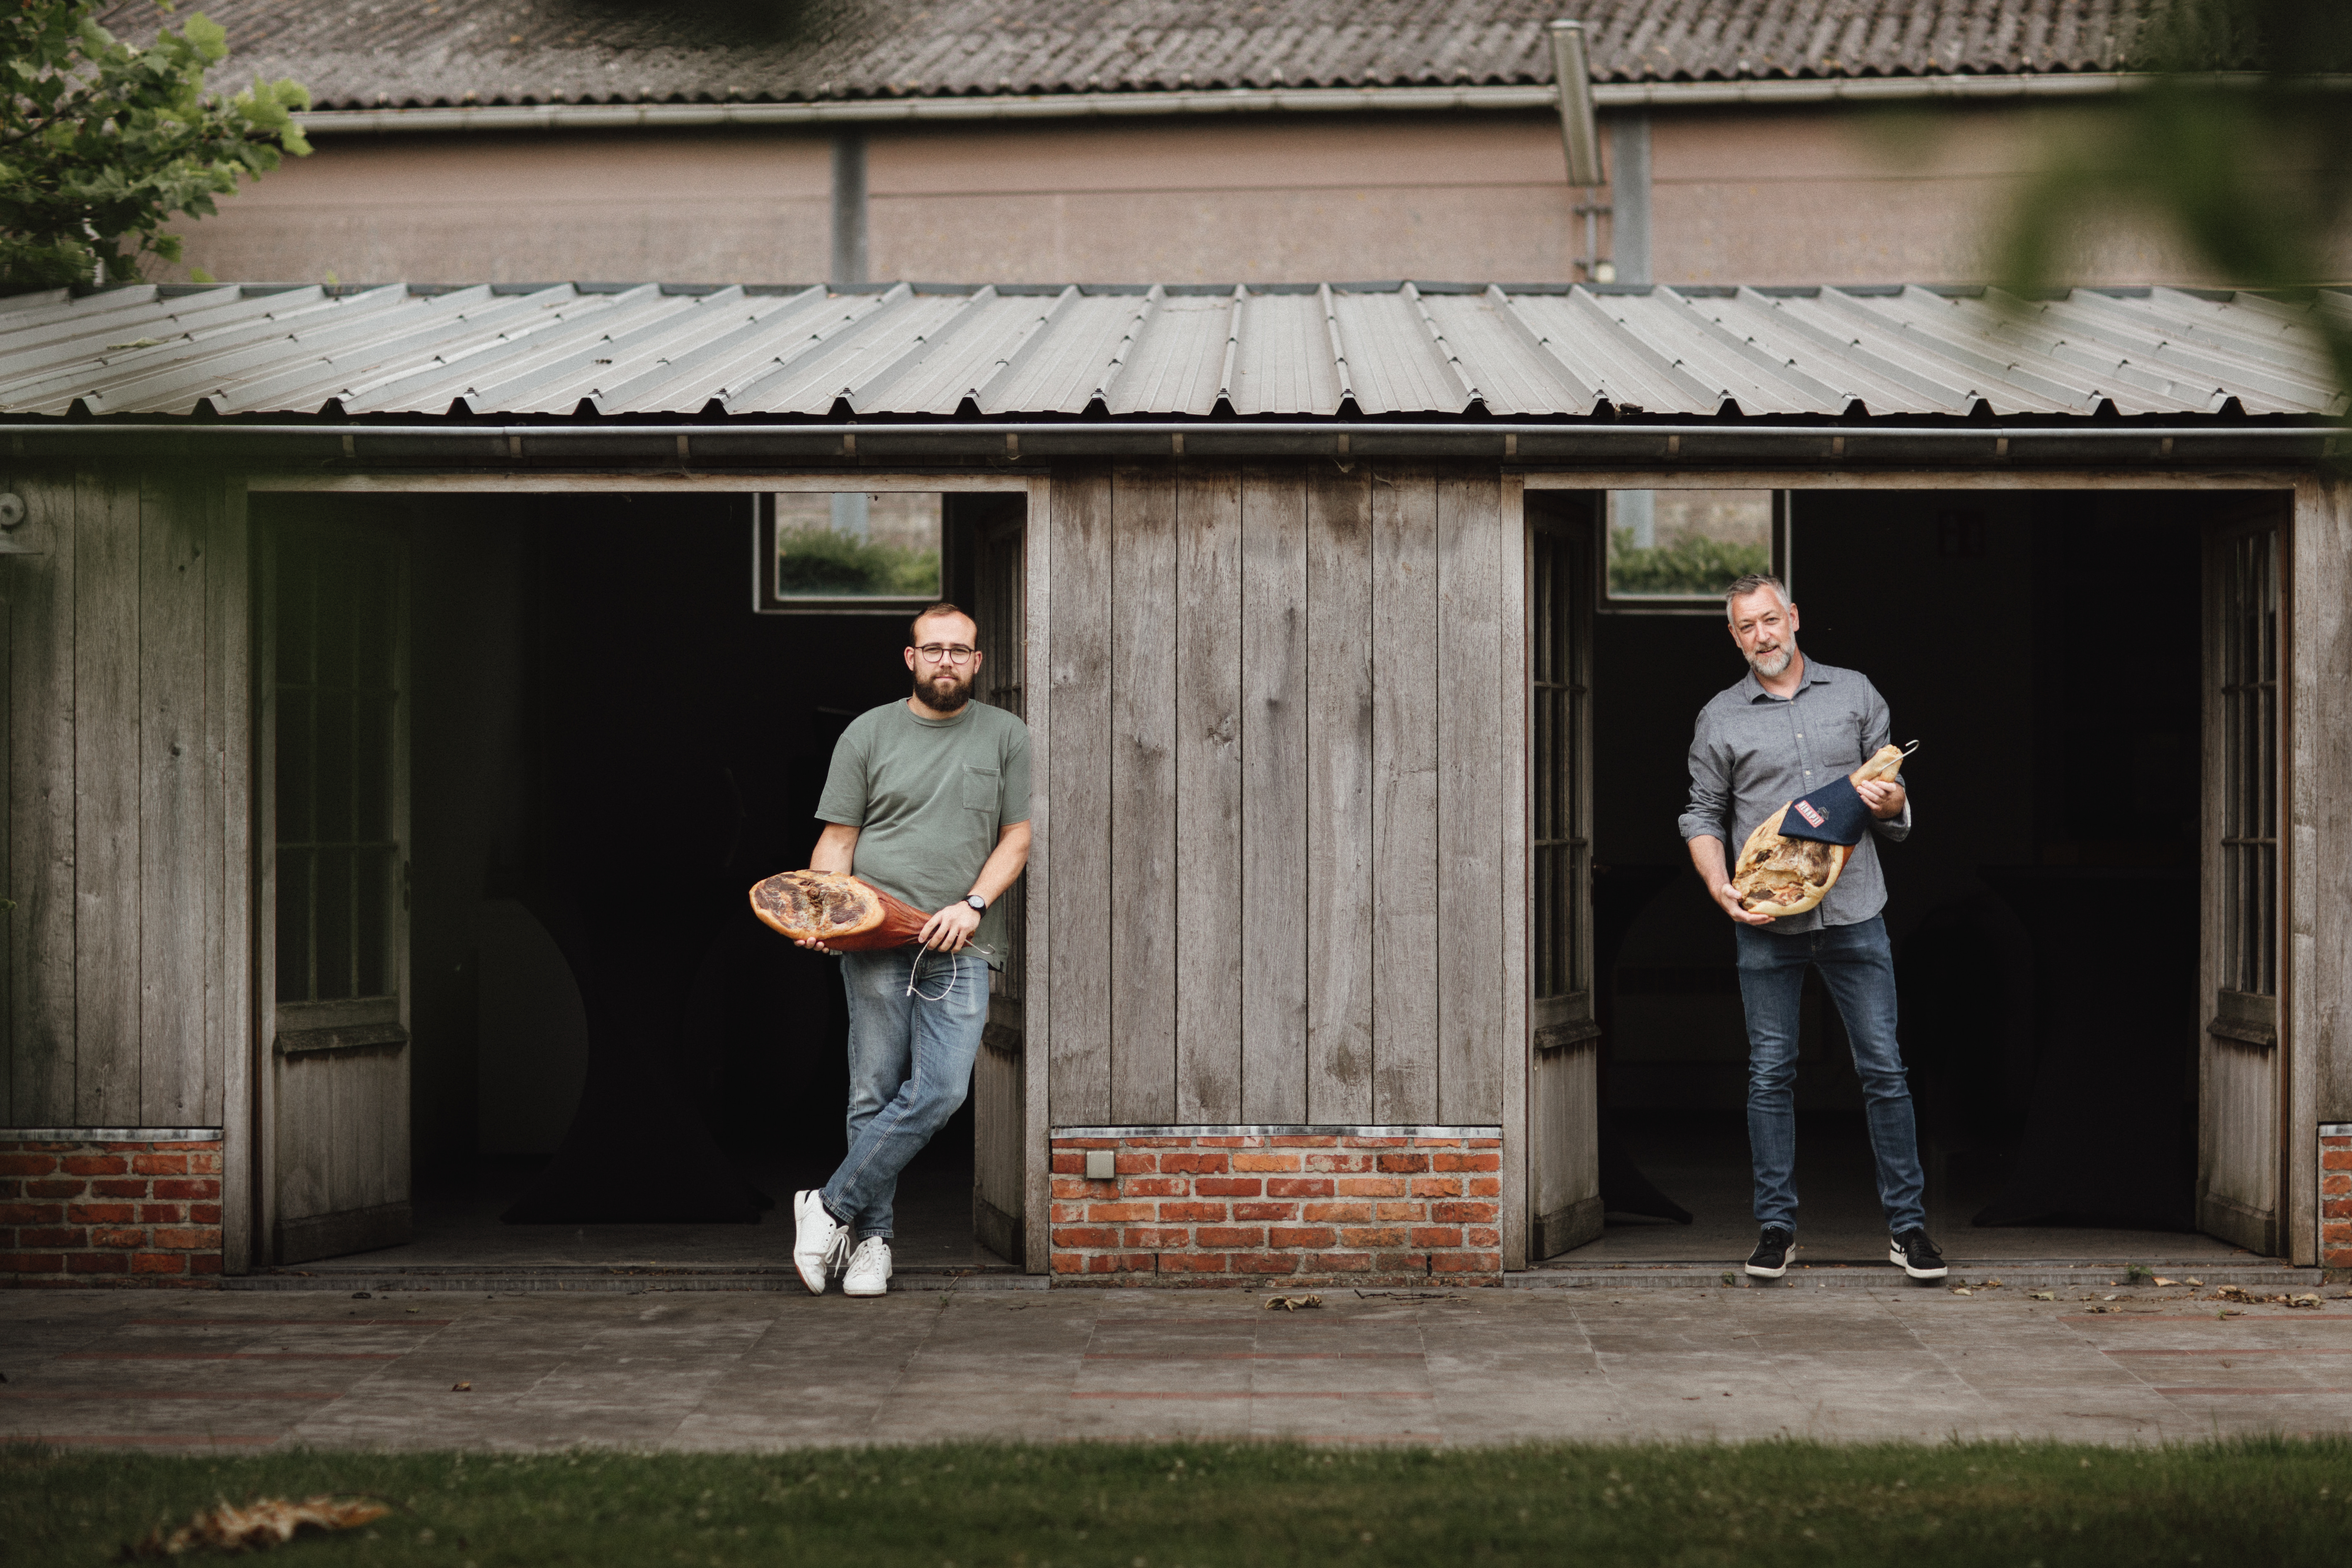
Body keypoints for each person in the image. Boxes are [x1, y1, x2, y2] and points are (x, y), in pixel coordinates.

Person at [1676, 574, 1946, 1283]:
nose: (1762, 636)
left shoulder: (1857, 694)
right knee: (1771, 1074)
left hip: (1855, 910)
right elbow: (1702, 812)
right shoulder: (1719, 718)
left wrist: (1893, 802)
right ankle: (1776, 1229)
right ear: (1733, 637)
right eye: (1746, 627)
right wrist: (1719, 887)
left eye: (1771, 619)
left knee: (1884, 1070)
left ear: (1793, 618)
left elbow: (1890, 797)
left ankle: (1909, 1228)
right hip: (1765, 919)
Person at [789, 601, 1031, 1297]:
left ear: (978, 662)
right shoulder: (868, 733)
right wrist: (823, 912)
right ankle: (872, 1242)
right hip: (872, 933)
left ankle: (828, 1204)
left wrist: (974, 905)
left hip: (959, 939)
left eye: (960, 650)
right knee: (872, 1091)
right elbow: (838, 840)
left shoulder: (1006, 735)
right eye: (934, 649)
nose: (946, 660)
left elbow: (1016, 836)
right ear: (911, 658)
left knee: (942, 1090)